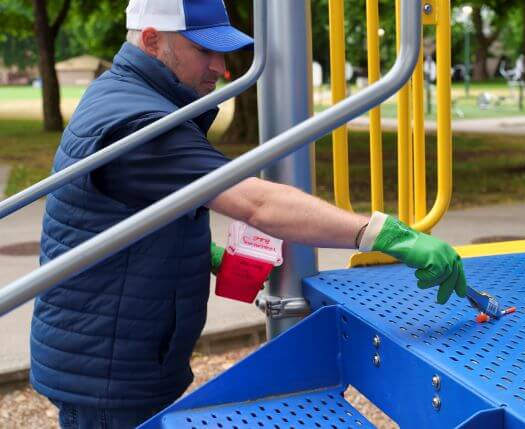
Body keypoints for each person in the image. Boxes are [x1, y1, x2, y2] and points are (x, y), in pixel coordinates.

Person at [31, 0, 467, 427]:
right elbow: (259, 203)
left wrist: (208, 254)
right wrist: (383, 233)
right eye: (205, 51)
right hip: (110, 373)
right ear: (151, 40)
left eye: (222, 52)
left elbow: (126, 217)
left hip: (108, 354)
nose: (221, 68)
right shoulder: (139, 124)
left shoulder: (125, 94)